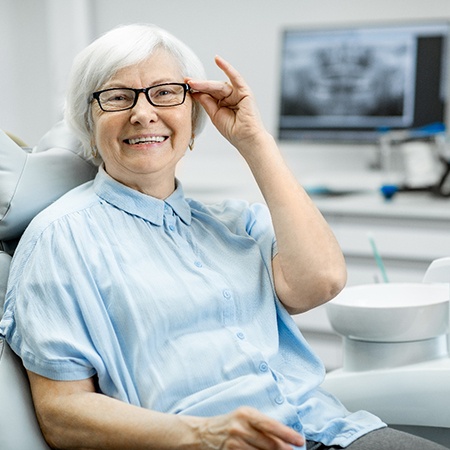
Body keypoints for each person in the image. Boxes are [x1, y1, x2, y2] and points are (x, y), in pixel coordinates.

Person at [0, 24, 446, 450]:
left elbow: (321, 281)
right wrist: (202, 435)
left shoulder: (235, 224)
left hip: (329, 430)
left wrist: (255, 141)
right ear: (88, 120)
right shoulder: (58, 240)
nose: (142, 112)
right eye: (117, 97)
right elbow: (62, 413)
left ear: (193, 112)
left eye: (165, 93)